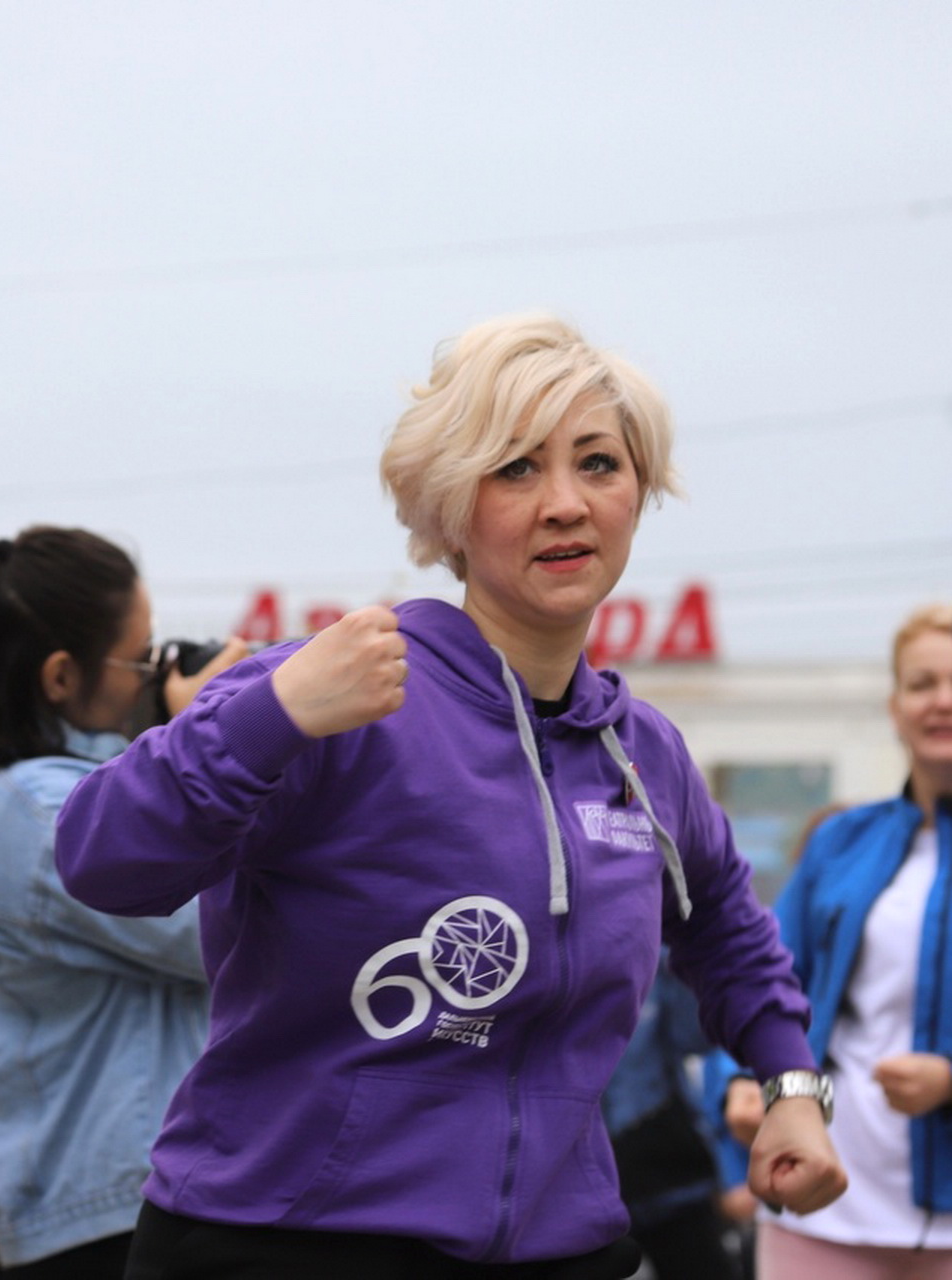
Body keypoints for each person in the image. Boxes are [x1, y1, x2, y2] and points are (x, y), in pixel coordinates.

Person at [55, 313, 846, 1280]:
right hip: (284, 1242)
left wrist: (791, 1083)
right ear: (448, 507)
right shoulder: (333, 690)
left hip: (561, 1246)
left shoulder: (643, 756)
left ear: (639, 493)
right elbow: (100, 861)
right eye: (516, 468)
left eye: (599, 463)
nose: (565, 504)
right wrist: (272, 717)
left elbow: (725, 924)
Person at [0, 527, 248, 1276]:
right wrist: (208, 733)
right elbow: (224, 929)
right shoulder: (39, 814)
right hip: (87, 1209)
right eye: (140, 657)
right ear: (61, 676)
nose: (153, 674)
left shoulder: (22, 794)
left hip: (94, 1197)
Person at [716, 603, 952, 1279]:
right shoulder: (840, 842)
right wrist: (741, 1081)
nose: (942, 701)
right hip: (822, 1203)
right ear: (895, 707)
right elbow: (762, 976)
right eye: (922, 684)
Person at [602, 950, 741, 1279]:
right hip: (582, 1178)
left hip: (664, 1163)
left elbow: (698, 1038)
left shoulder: (651, 953)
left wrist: (679, 958)